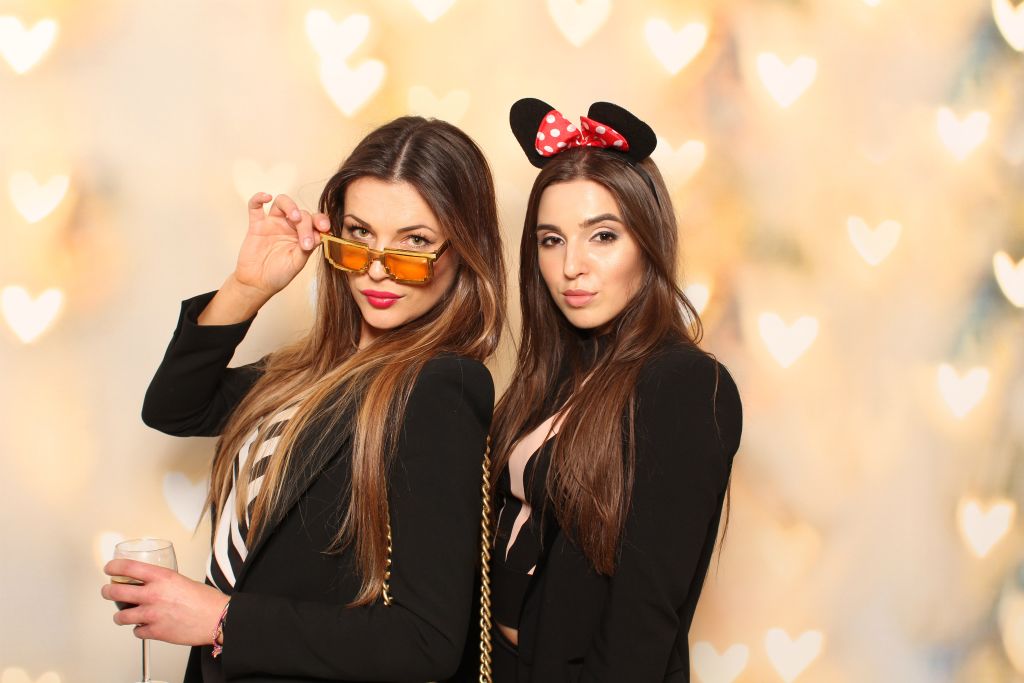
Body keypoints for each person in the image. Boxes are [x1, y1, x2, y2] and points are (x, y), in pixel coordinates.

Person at [101, 116, 505, 682]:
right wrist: (247, 287)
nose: (378, 269)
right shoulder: (308, 370)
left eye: (414, 243)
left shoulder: (441, 386)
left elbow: (425, 641)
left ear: (464, 251)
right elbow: (173, 407)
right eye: (358, 235)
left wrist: (222, 620)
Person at [488, 99, 743, 682]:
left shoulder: (684, 385)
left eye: (602, 236)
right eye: (551, 240)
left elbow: (641, 626)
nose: (571, 266)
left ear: (648, 242)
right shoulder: (551, 376)